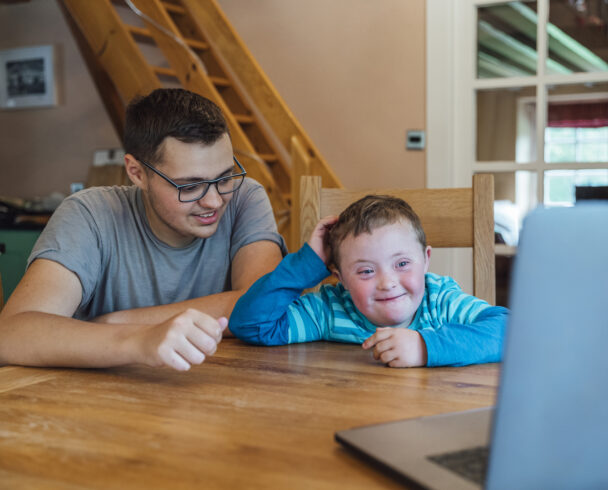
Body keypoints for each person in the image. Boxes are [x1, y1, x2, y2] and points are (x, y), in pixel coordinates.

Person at [0, 88, 286, 371]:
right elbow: (10, 334)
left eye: (225, 178)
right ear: (136, 173)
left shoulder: (244, 197)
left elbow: (268, 302)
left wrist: (115, 321)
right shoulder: (90, 214)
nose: (213, 200)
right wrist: (141, 340)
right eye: (190, 186)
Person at [229, 195, 507, 367]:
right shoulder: (331, 309)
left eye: (402, 264)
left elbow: (510, 331)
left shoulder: (440, 301)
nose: (387, 283)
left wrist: (424, 347)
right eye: (365, 271)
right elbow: (251, 325)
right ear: (341, 278)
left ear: (426, 259)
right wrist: (308, 263)